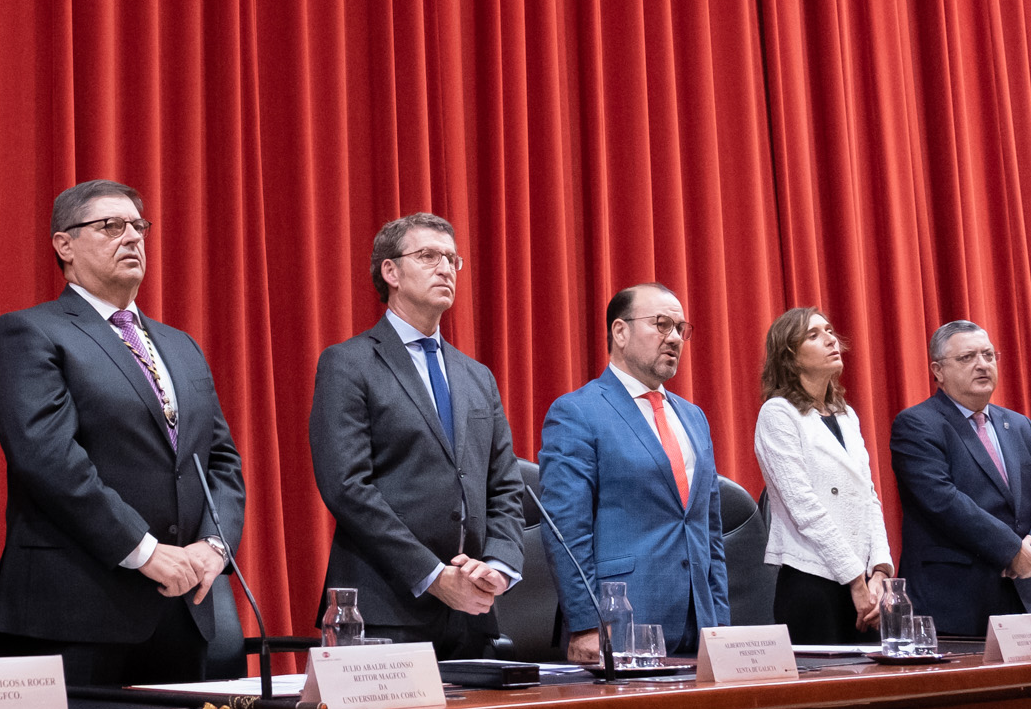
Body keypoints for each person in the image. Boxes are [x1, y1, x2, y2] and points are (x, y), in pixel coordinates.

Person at [0, 180, 247, 686]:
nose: (132, 238)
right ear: (64, 245)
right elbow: (49, 460)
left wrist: (214, 546)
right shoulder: (30, 333)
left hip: (183, 609)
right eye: (110, 226)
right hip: (75, 613)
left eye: (138, 227)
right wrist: (144, 551)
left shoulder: (180, 344)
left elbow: (221, 463)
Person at [307, 213, 526, 657]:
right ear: (390, 272)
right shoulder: (348, 364)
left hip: (471, 611)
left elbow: (505, 485)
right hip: (384, 609)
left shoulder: (477, 376)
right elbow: (348, 488)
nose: (445, 268)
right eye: (428, 256)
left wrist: (500, 565)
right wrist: (432, 574)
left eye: (452, 259)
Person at [539, 283, 726, 661]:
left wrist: (720, 619)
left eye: (680, 329)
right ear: (620, 332)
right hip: (620, 624)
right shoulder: (577, 412)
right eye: (661, 324)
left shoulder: (694, 418)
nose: (674, 338)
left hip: (701, 626)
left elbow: (711, 533)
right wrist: (587, 623)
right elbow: (565, 531)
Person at [889, 319, 1031, 639]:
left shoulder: (1018, 425)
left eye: (988, 355)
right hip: (952, 603)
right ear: (938, 371)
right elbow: (943, 501)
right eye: (967, 358)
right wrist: (1014, 551)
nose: (982, 364)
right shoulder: (917, 424)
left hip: (1021, 597)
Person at [751, 306, 894, 644]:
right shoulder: (777, 414)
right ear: (790, 356)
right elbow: (804, 507)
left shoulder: (847, 415)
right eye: (814, 335)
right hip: (812, 582)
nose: (831, 339)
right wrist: (856, 580)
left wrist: (880, 571)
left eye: (829, 331)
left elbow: (868, 496)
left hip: (863, 585)